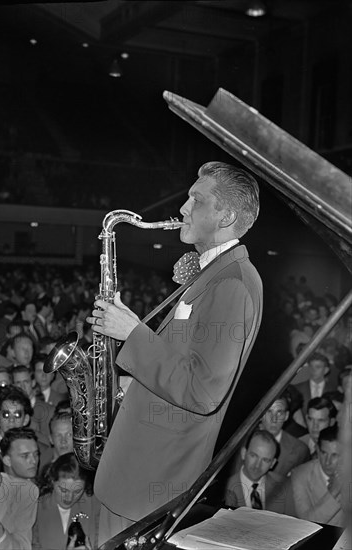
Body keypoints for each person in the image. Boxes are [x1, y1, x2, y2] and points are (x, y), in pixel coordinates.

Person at [87, 161, 263, 541]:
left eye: (196, 200)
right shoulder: (216, 273)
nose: (183, 208)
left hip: (147, 487)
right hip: (135, 479)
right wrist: (132, 385)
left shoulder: (233, 283)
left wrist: (133, 333)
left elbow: (202, 390)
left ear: (226, 216)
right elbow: (185, 364)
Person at [33, 453, 100, 549]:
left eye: (77, 491)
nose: (69, 498)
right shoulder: (36, 507)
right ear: (52, 481)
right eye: (63, 490)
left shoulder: (94, 503)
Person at [285, 425, 344, 527]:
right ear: (317, 449)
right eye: (324, 453)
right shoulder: (300, 475)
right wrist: (333, 492)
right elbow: (305, 523)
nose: (327, 461)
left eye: (335, 455)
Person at [223, 429, 286, 513]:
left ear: (272, 463)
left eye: (265, 460)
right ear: (243, 453)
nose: (257, 465)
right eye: (253, 456)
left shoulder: (284, 486)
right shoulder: (224, 487)